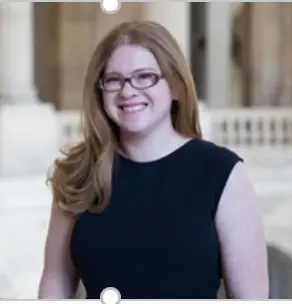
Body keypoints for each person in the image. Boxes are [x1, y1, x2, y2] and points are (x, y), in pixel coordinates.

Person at [38, 20, 269, 299]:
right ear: (100, 91)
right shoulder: (78, 173)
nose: (127, 91)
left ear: (175, 86)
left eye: (144, 76)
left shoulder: (223, 174)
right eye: (113, 79)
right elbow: (56, 281)